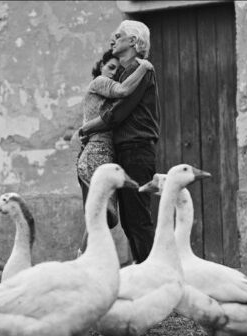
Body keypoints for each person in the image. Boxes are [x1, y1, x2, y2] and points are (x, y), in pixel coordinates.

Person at [78, 20, 160, 264]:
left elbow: (117, 113)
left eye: (118, 35)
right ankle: (143, 270)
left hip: (136, 150)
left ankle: (151, 273)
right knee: (128, 220)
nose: (112, 40)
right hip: (124, 151)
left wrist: (87, 128)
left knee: (137, 219)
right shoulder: (125, 71)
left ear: (133, 41)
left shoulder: (139, 68)